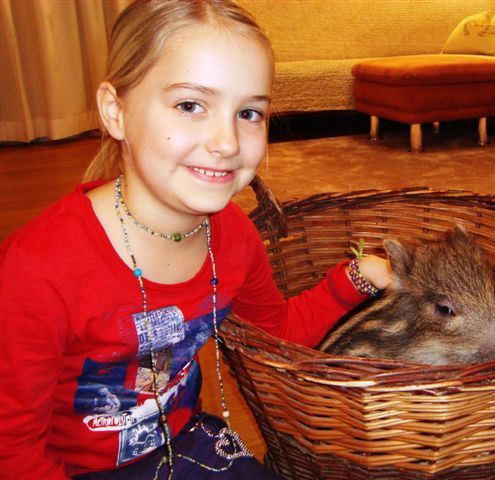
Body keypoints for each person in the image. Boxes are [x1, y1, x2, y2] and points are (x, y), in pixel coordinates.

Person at [0, 1, 392, 479]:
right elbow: (12, 449)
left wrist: (355, 280)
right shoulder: (35, 270)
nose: (227, 142)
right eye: (190, 105)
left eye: (248, 112)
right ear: (116, 112)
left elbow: (276, 332)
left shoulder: (234, 234)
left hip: (184, 440)